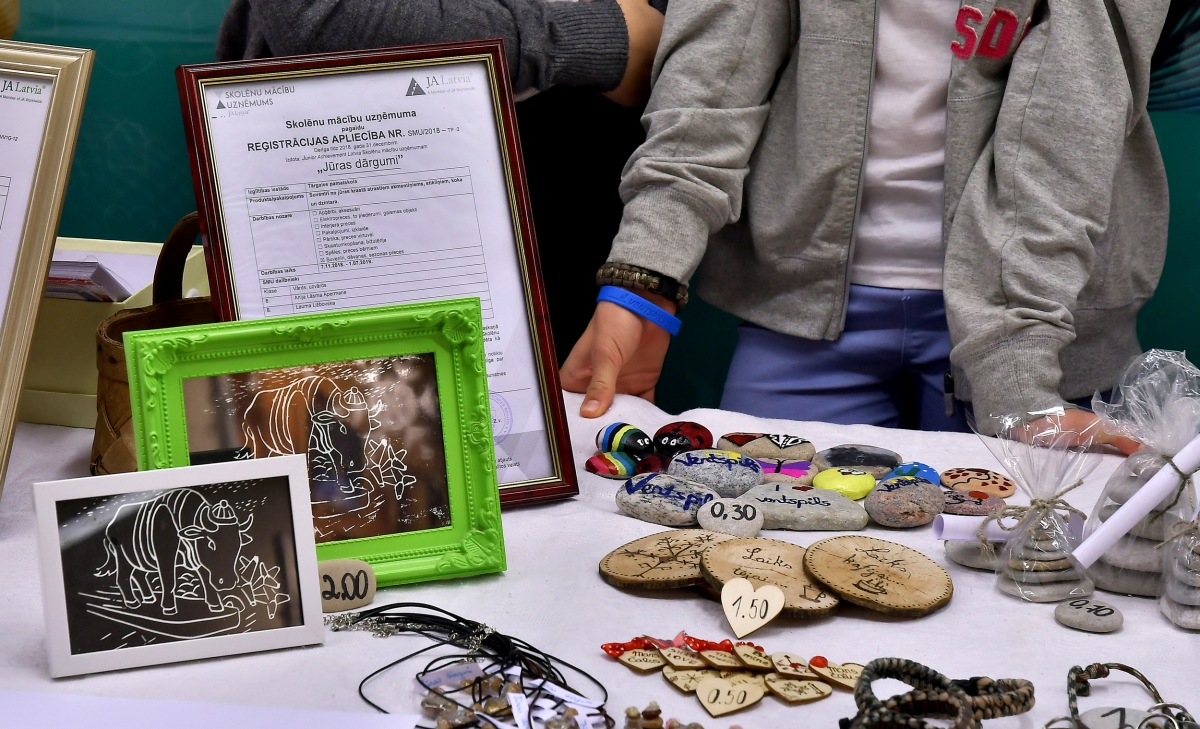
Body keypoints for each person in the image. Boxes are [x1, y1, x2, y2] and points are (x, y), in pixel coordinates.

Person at [560, 0, 1168, 453]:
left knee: (1018, 565)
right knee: (751, 548)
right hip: (801, 313)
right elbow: (713, 81)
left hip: (1044, 327)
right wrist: (647, 278)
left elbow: (1070, 123)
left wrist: (1018, 376)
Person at [216, 0, 665, 361]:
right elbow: (322, 20)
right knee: (347, 412)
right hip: (348, 149)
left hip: (588, 171)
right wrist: (590, 37)